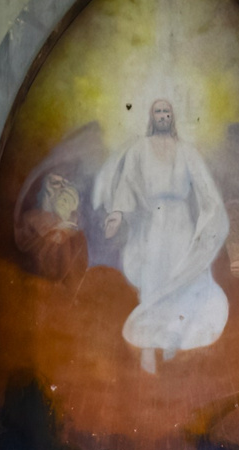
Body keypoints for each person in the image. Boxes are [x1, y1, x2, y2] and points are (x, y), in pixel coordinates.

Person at [93, 99, 229, 373]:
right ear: (151, 116)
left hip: (181, 224)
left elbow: (205, 189)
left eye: (167, 111)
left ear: (173, 117)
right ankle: (147, 348)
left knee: (180, 279)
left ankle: (172, 340)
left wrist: (209, 222)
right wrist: (117, 214)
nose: (163, 115)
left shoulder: (187, 151)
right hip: (152, 223)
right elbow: (127, 184)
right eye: (158, 111)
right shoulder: (139, 150)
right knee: (153, 279)